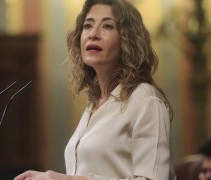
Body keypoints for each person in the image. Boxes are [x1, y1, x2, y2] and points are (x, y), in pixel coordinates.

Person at [14, 0, 176, 179]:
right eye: (88, 26)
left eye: (107, 26)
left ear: (127, 39)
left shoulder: (146, 100)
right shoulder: (95, 103)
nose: (93, 34)